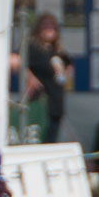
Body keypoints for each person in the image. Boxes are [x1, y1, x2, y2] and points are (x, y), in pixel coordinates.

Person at [26, 14, 73, 144]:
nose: (49, 28)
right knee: (39, 143)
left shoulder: (58, 51)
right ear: (38, 28)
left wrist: (65, 74)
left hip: (56, 106)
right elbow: (18, 62)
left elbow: (69, 67)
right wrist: (30, 78)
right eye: (45, 25)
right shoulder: (32, 47)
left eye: (52, 25)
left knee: (52, 142)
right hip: (40, 104)